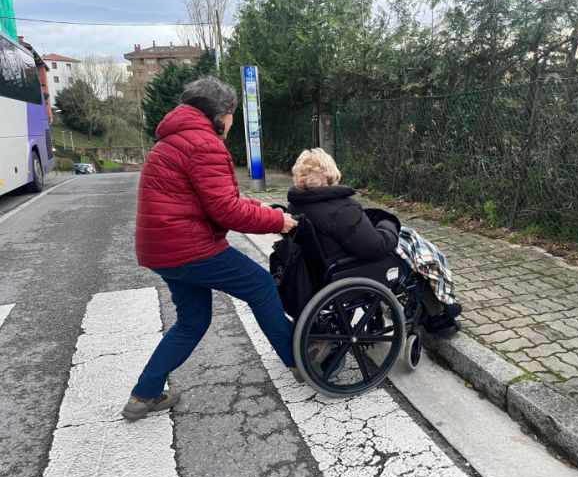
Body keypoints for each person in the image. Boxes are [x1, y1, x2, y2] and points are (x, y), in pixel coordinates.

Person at [122, 76, 298, 421]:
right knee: (261, 286)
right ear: (220, 113)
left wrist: (265, 212)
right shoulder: (203, 143)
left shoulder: (171, 141)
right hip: (189, 247)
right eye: (231, 114)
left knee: (192, 321)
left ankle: (143, 395)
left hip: (164, 250)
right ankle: (299, 359)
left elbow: (216, 201)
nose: (231, 122)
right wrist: (278, 222)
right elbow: (226, 210)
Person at [287, 148, 461, 335]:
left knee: (407, 245)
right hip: (351, 268)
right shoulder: (340, 208)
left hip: (323, 269)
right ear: (330, 173)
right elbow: (376, 247)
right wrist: (388, 223)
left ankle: (431, 306)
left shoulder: (297, 205)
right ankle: (438, 312)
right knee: (414, 248)